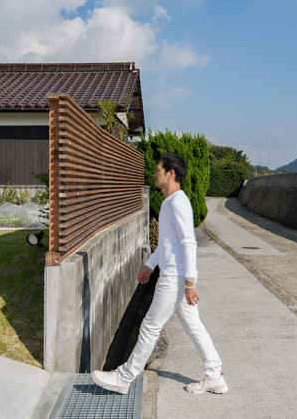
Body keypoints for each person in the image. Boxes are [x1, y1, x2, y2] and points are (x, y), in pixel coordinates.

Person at [91, 152, 227, 395]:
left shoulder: (178, 203)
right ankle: (215, 375)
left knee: (150, 326)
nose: (154, 173)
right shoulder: (169, 203)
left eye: (158, 170)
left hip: (175, 278)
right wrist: (150, 264)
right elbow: (168, 244)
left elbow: (188, 242)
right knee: (194, 325)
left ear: (170, 173)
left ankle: (124, 377)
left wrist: (189, 282)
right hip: (173, 274)